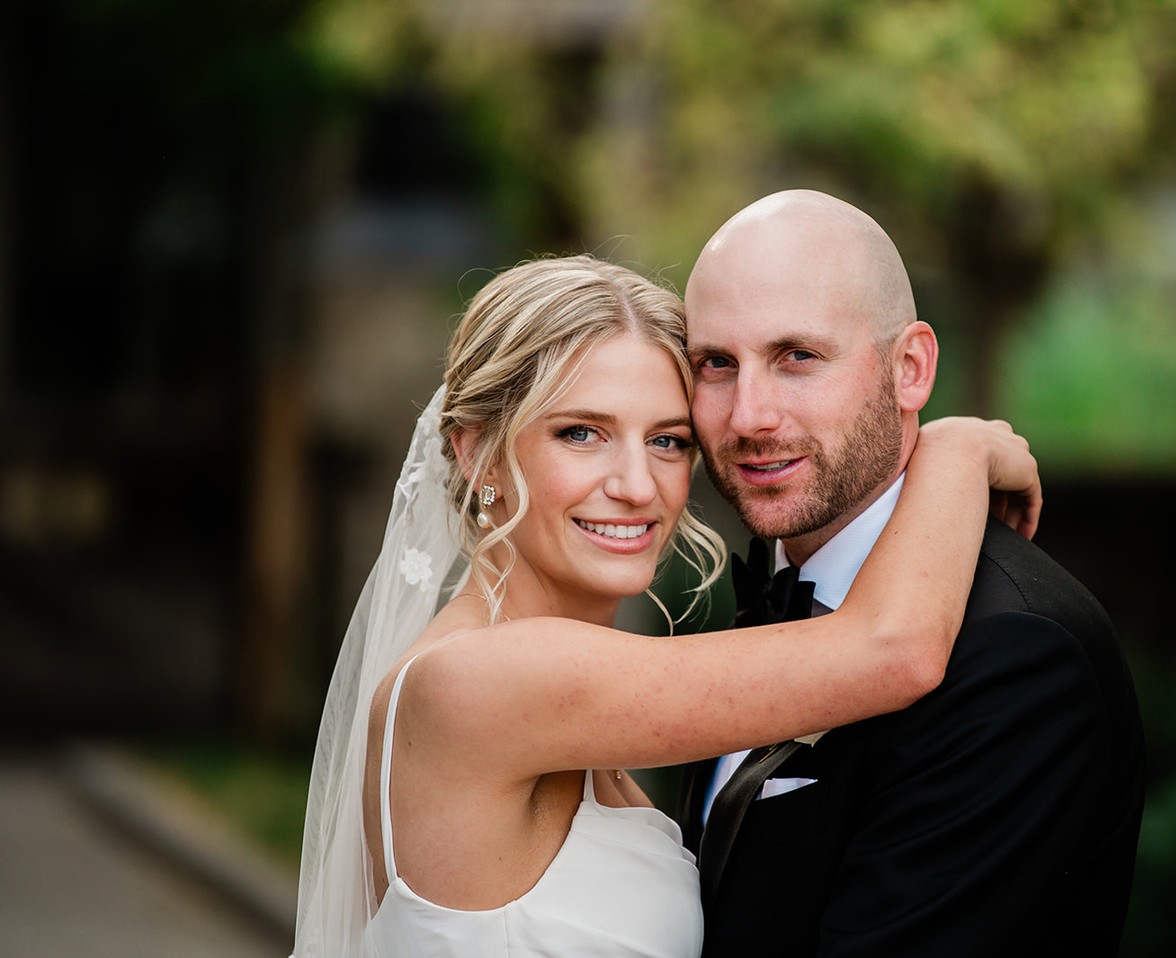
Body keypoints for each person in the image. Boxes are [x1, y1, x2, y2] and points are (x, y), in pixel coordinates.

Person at [291, 254, 1043, 958]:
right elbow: (893, 650)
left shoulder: (556, 689)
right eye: (580, 433)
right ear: (476, 450)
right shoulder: (478, 680)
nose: (636, 485)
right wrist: (955, 451)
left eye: (667, 441)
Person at [678, 190, 1146, 956]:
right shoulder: (764, 598)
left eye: (797, 356)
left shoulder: (1016, 656)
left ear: (910, 368)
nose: (747, 416)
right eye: (716, 365)